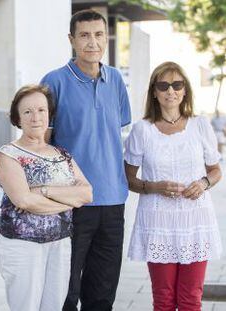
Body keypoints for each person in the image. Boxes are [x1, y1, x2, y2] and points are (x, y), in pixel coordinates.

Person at [40, 9, 131, 310]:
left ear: (106, 38)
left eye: (99, 34)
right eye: (84, 35)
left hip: (113, 200)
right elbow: (43, 143)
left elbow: (116, 133)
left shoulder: (116, 79)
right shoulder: (54, 82)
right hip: (72, 203)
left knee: (103, 293)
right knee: (66, 291)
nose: (92, 42)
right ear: (72, 39)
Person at [124, 61, 222, 311]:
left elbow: (215, 170)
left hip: (195, 222)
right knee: (164, 299)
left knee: (191, 299)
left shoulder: (200, 125)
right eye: (163, 85)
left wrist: (203, 183)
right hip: (158, 223)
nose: (171, 91)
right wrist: (155, 186)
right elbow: (129, 179)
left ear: (185, 90)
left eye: (177, 84)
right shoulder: (142, 130)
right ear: (154, 92)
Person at [0, 85, 93, 311]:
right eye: (27, 111)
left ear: (49, 114)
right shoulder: (8, 154)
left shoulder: (62, 155)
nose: (35, 117)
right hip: (22, 246)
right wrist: (69, 200)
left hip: (59, 243)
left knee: (54, 307)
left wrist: (44, 191)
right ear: (17, 118)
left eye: (41, 110)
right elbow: (24, 201)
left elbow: (86, 193)